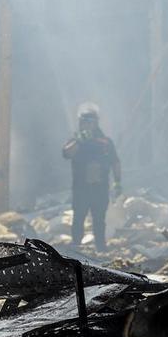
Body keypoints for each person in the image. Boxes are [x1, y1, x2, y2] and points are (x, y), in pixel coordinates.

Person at [62, 103, 121, 252]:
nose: (85, 125)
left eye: (89, 122)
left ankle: (101, 247)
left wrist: (118, 182)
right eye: (83, 121)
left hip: (100, 188)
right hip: (81, 188)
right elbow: (67, 153)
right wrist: (79, 141)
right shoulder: (76, 140)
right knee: (79, 217)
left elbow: (115, 162)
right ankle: (76, 247)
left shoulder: (105, 142)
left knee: (99, 219)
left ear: (95, 123)